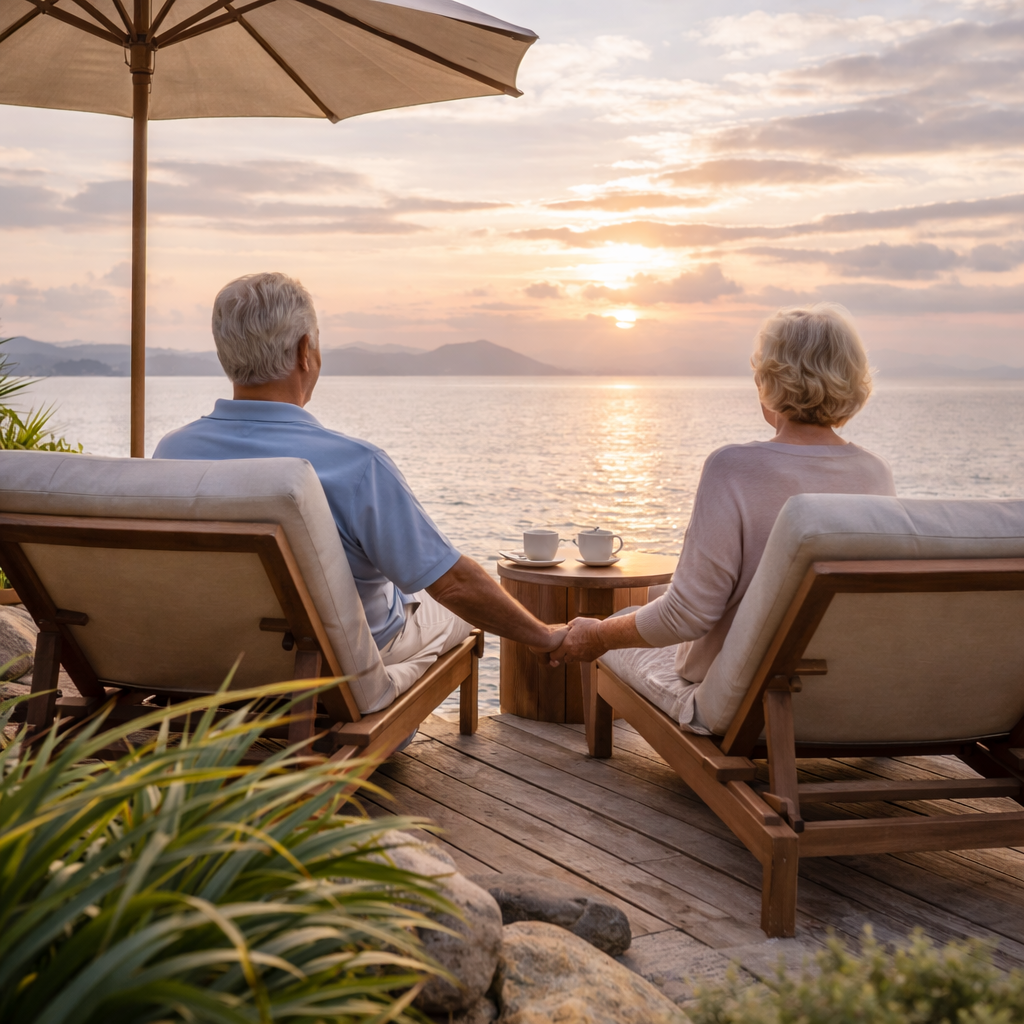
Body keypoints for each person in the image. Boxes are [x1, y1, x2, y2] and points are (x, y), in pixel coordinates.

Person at [154, 272, 565, 713]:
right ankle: (393, 701)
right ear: (305, 352)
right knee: (447, 612)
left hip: (214, 669)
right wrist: (547, 636)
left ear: (224, 355)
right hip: (327, 680)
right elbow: (455, 586)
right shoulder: (353, 465)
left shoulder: (172, 453)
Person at [549, 303, 897, 730]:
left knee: (623, 621)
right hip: (845, 694)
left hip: (752, 697)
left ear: (766, 381)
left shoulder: (734, 468)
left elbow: (687, 616)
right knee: (660, 592)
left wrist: (597, 635)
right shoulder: (875, 473)